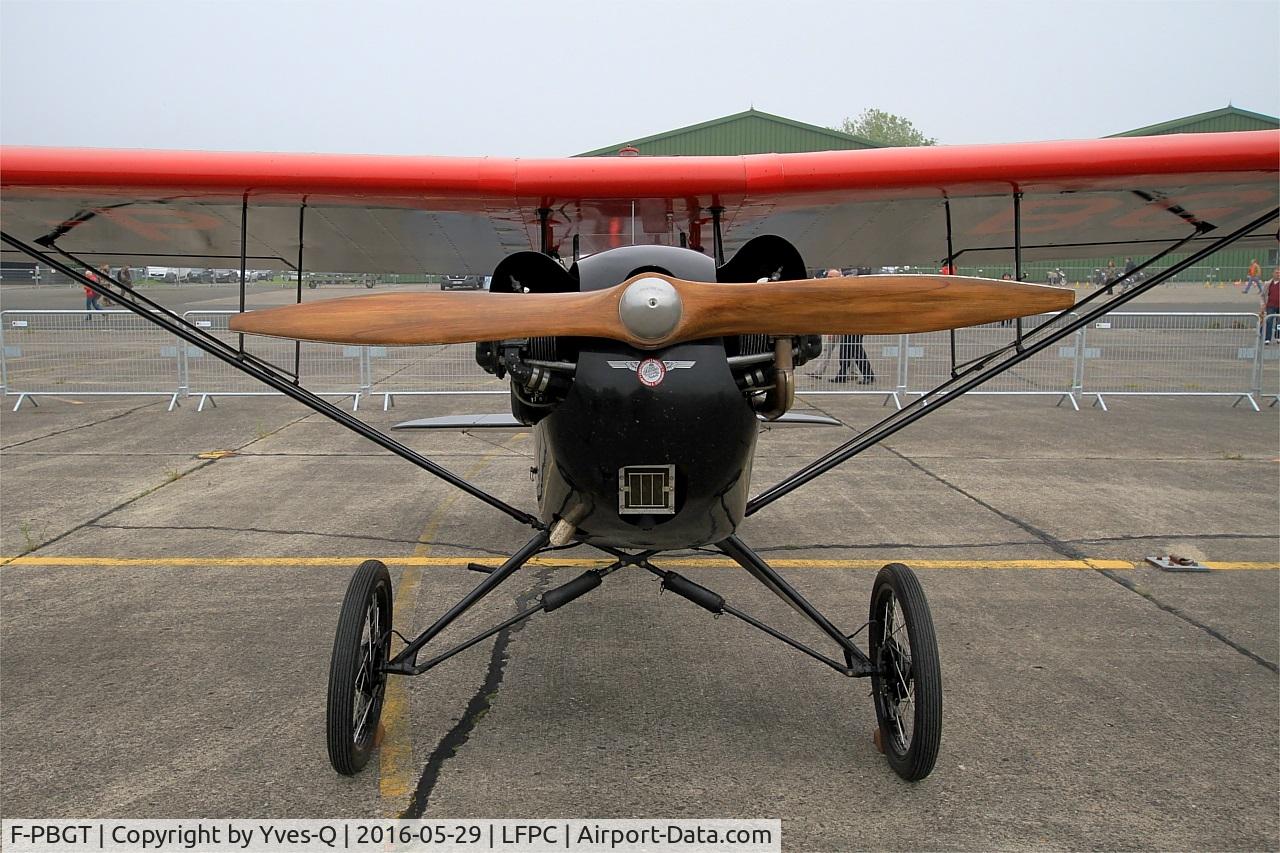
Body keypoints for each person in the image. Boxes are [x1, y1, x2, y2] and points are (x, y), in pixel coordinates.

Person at [828, 267, 874, 385]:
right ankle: (842, 374)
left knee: (856, 350)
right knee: (845, 349)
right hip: (848, 324)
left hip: (857, 325)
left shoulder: (858, 295)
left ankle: (868, 375)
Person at [1262, 267, 1280, 345]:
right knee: (1269, 321)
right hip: (1270, 305)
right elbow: (1263, 295)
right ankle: (1267, 338)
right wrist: (1263, 304)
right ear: (1273, 274)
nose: (1278, 274)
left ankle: (1278, 337)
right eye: (1276, 273)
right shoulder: (1268, 283)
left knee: (1279, 323)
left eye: (1279, 273)